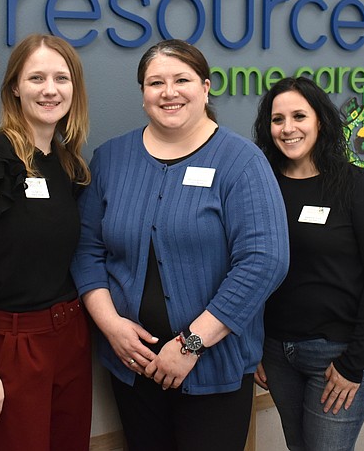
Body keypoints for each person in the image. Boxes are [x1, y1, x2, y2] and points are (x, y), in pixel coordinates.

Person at [71, 39, 289, 451]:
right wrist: (112, 327)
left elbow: (265, 261)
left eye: (181, 80)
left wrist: (191, 344)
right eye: (156, 82)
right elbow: (86, 251)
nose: (169, 92)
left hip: (213, 368)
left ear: (205, 88)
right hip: (133, 366)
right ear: (142, 95)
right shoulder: (111, 159)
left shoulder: (241, 162)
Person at [0, 34, 92, 451]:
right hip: (12, 345)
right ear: (15, 87)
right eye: (37, 77)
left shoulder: (69, 163)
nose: (50, 89)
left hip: (71, 335)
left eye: (61, 78)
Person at [252, 76, 364, 451]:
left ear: (320, 121)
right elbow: (248, 268)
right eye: (277, 119)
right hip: (276, 350)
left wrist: (355, 363)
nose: (288, 128)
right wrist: (254, 346)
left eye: (299, 116)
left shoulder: (356, 186)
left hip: (337, 353)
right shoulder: (261, 183)